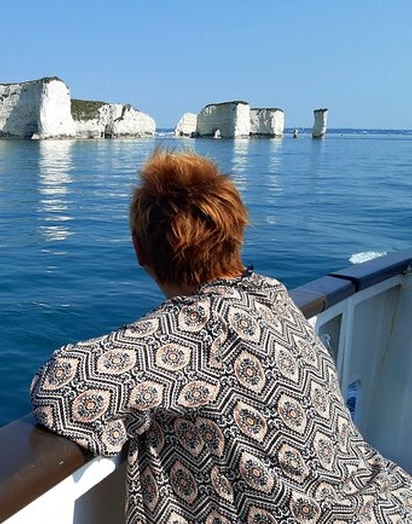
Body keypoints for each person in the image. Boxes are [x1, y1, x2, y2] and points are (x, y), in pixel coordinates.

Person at [30, 150, 412, 523]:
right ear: (236, 233)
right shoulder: (272, 296)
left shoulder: (189, 334)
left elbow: (60, 387)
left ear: (139, 250)